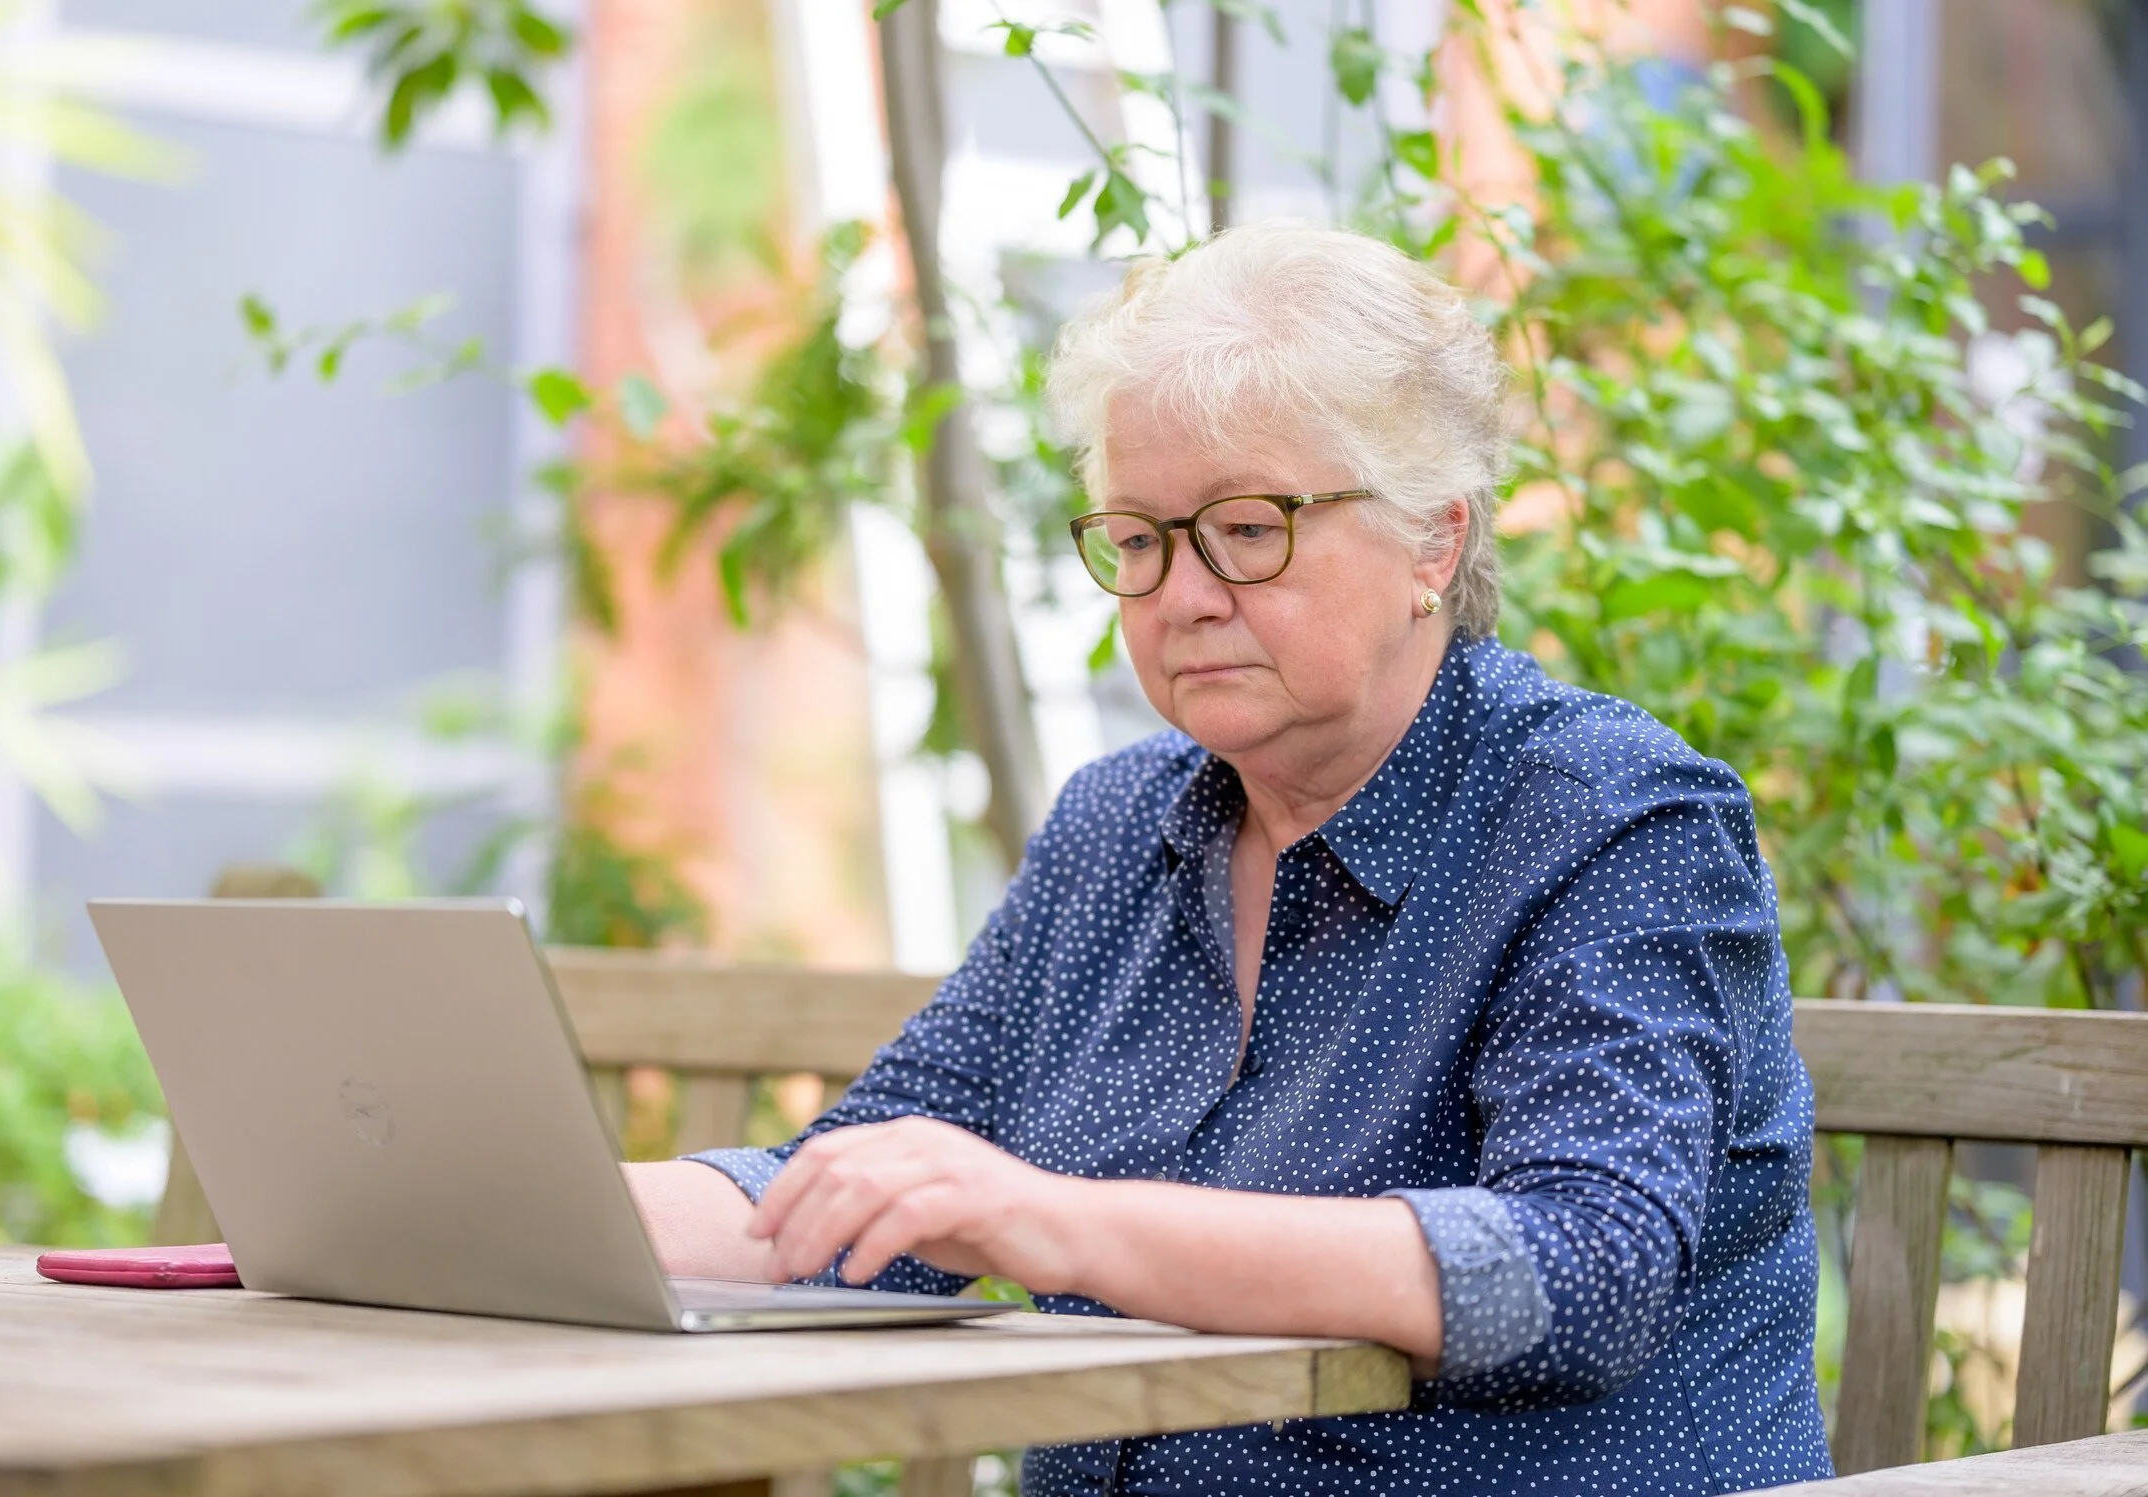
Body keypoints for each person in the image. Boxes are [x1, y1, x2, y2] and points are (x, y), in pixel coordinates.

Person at [624, 220, 1833, 1495]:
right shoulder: (1117, 832)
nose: (1181, 595)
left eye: (1248, 530)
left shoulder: (1608, 820)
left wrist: (1053, 1220)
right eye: (1139, 540)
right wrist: (535, 1214)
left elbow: (1581, 1273)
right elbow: (869, 1190)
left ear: (1433, 538)